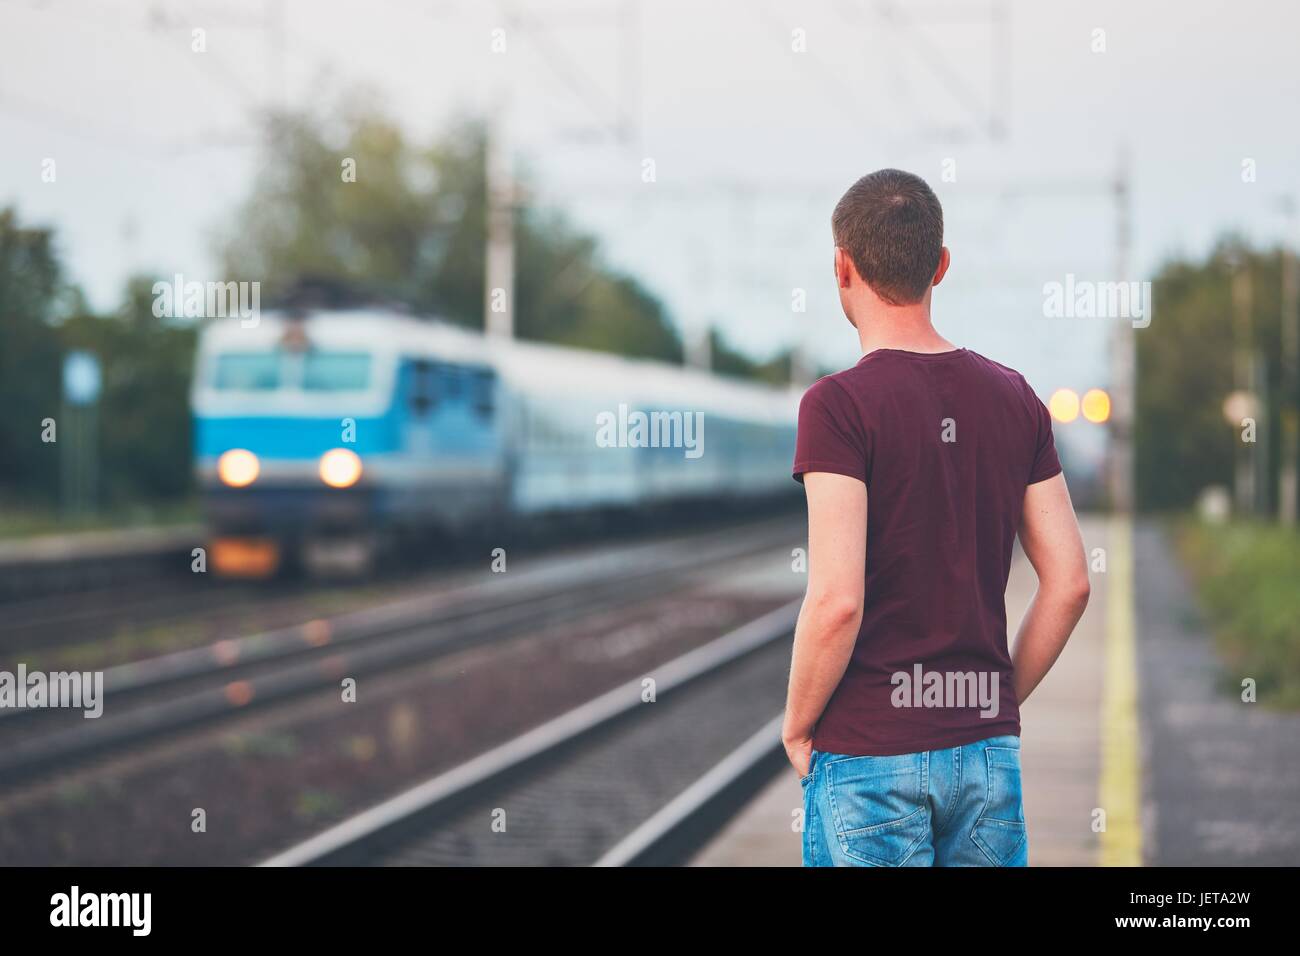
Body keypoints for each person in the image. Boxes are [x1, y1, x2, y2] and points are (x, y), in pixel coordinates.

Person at [783, 168, 1091, 867]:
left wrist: (799, 725)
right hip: (986, 755)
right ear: (941, 266)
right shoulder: (1015, 398)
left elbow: (835, 601)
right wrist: (997, 698)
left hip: (868, 759)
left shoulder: (836, 408)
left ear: (842, 266)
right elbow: (1070, 582)